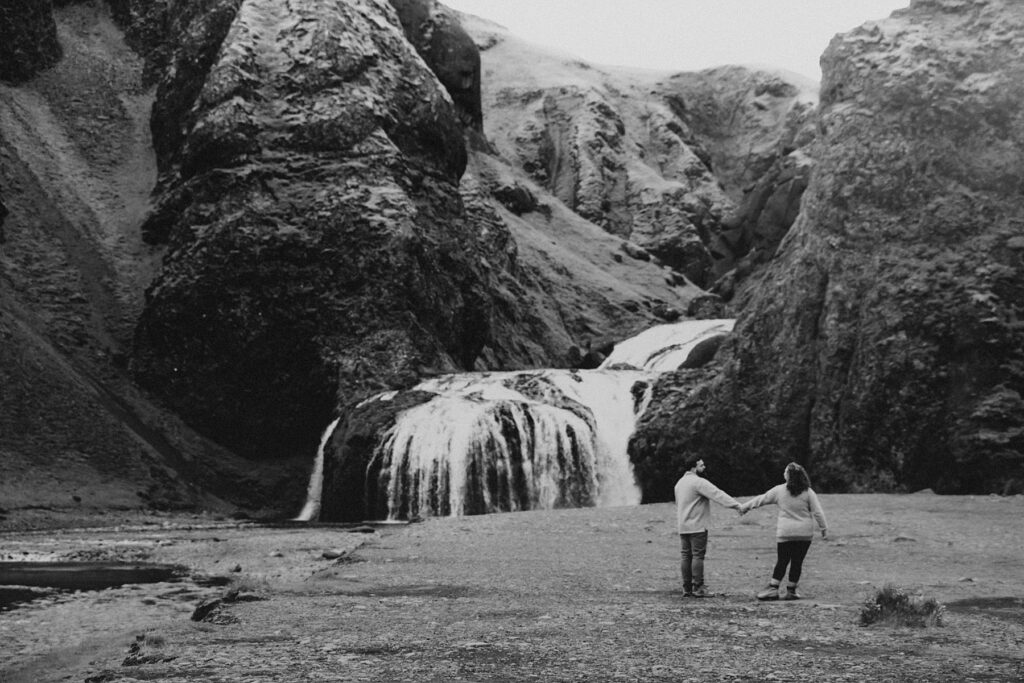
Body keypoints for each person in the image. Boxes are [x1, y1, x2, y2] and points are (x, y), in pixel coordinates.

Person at [739, 462, 828, 601]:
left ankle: (773, 589)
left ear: (789, 476)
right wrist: (823, 528)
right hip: (804, 534)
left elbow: (761, 499)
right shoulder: (809, 492)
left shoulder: (779, 490)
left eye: (785, 472)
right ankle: (791, 591)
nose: (783, 474)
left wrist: (744, 507)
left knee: (782, 560)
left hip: (786, 533)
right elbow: (818, 512)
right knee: (797, 562)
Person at [674, 454, 742, 597]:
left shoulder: (679, 483)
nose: (704, 468)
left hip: (683, 525)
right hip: (697, 525)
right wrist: (737, 506)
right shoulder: (698, 482)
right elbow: (718, 494)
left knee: (686, 556)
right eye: (701, 465)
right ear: (694, 467)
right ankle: (698, 587)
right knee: (698, 556)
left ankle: (687, 588)